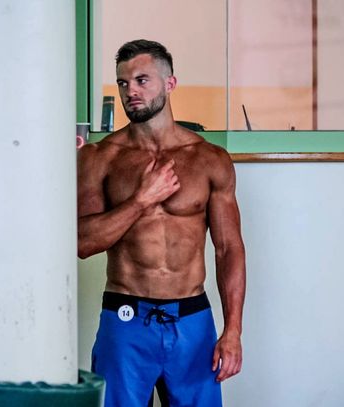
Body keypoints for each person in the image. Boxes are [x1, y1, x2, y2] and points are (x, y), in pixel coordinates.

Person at [77, 39, 246, 407]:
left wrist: (233, 330)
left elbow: (228, 249)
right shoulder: (100, 158)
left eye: (142, 80)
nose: (131, 92)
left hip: (192, 321)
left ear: (170, 83)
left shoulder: (210, 159)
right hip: (125, 319)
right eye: (123, 83)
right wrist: (141, 200)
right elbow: (83, 243)